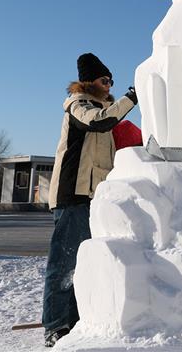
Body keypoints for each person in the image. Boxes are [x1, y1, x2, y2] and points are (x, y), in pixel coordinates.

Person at [42, 53, 138, 347]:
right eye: (104, 80)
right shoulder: (79, 104)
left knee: (82, 265)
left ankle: (74, 324)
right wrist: (132, 98)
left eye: (111, 81)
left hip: (94, 197)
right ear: (88, 81)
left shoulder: (108, 112)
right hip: (73, 196)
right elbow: (97, 123)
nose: (109, 85)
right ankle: (56, 326)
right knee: (64, 264)